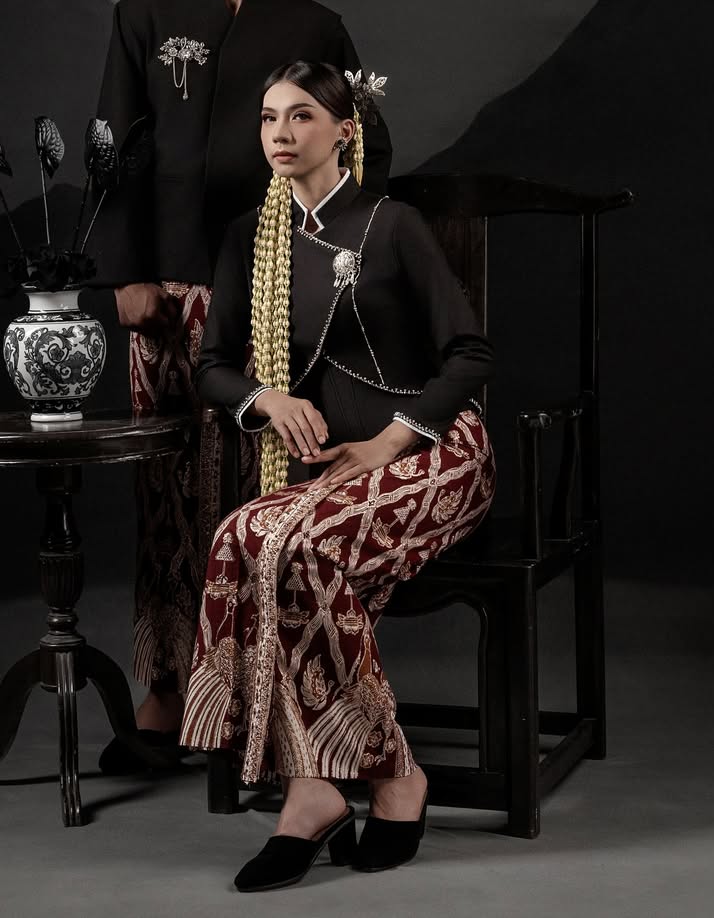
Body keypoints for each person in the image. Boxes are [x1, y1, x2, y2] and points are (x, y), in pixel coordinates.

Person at [94, 0, 391, 768]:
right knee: (166, 488)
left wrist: (325, 259)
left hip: (278, 287)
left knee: (263, 483)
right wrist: (126, 274)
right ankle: (161, 688)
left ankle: (259, 695)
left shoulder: (313, 24)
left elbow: (365, 147)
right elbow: (114, 154)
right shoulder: (144, 17)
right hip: (171, 287)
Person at [181, 61, 495, 891]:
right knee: (243, 535)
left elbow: (471, 356)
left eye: (302, 117)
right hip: (328, 469)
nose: (280, 134)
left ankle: (348, 785)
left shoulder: (391, 225)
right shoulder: (251, 236)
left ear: (344, 129)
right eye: (268, 118)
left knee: (300, 547)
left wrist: (392, 440)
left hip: (431, 452)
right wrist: (266, 397)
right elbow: (213, 366)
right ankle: (340, 782)